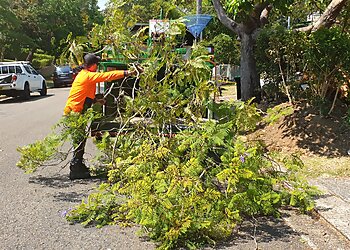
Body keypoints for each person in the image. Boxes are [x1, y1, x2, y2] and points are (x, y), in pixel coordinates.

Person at [64, 53, 141, 180]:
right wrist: (128, 72)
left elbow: (84, 93)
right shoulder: (88, 76)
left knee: (80, 140)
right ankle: (75, 169)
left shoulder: (83, 75)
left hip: (76, 111)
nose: (98, 67)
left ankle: (78, 166)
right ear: (93, 65)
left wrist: (96, 100)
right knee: (78, 141)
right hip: (75, 113)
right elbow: (107, 76)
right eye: (97, 64)